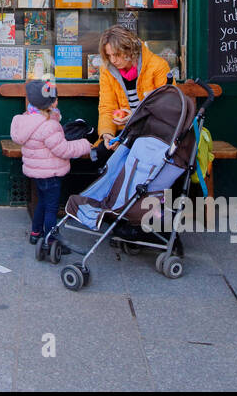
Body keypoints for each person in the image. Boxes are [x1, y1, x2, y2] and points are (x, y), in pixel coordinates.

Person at [12, 78, 95, 245]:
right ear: (50, 104)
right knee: (51, 208)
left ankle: (36, 233)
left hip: (37, 173)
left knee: (41, 202)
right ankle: (51, 240)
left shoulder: (28, 119)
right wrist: (85, 145)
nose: (57, 100)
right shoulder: (49, 125)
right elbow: (63, 149)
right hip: (51, 173)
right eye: (55, 98)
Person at [97, 26, 170, 146]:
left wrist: (136, 116)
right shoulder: (107, 70)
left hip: (152, 132)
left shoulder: (158, 66)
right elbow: (107, 106)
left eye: (116, 54)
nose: (113, 60)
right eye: (109, 55)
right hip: (123, 131)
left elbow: (166, 107)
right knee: (102, 152)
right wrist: (107, 134)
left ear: (130, 50)